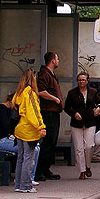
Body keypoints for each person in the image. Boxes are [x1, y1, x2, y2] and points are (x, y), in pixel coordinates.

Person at [64, 71, 100, 179]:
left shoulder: (93, 92)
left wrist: (98, 109)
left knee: (89, 145)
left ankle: (88, 166)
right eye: (80, 80)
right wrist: (74, 113)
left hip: (90, 122)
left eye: (83, 80)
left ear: (87, 81)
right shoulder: (72, 93)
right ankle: (82, 170)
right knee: (79, 148)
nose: (81, 82)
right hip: (76, 123)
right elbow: (67, 107)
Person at [0, 93, 39, 183]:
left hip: (9, 138)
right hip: (2, 140)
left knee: (34, 148)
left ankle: (29, 176)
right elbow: (6, 126)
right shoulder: (1, 108)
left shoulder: (10, 110)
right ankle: (27, 177)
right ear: (11, 102)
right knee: (32, 149)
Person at [13, 69, 46, 193]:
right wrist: (41, 126)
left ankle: (18, 184)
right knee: (28, 158)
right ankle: (26, 185)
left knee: (20, 158)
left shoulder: (18, 94)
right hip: (29, 131)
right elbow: (34, 113)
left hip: (19, 129)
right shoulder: (30, 94)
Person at [35, 52, 64, 181]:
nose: (58, 61)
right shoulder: (44, 74)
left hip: (54, 112)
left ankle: (46, 169)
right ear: (52, 61)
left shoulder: (51, 74)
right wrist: (56, 99)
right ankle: (39, 170)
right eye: (57, 58)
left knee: (52, 142)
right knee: (47, 142)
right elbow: (41, 91)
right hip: (48, 112)